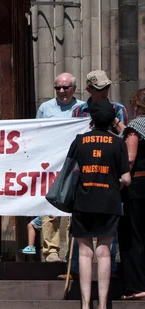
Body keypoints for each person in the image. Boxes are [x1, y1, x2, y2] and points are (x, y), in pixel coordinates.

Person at [69, 100, 131, 309]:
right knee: (104, 252)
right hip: (109, 202)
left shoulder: (80, 141)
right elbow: (126, 177)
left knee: (84, 253)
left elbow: (69, 171)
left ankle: (85, 308)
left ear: (92, 119)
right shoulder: (118, 143)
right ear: (112, 119)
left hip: (83, 202)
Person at [67, 70, 130, 279]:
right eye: (99, 89)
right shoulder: (78, 112)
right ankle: (75, 269)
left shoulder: (118, 109)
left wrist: (111, 123)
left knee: (108, 232)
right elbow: (70, 140)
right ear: (89, 90)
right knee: (80, 231)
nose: (104, 92)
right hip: (85, 176)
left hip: (108, 177)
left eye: (106, 88)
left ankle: (109, 270)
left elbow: (126, 140)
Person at [24, 73, 84, 261]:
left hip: (74, 164)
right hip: (51, 164)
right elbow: (37, 133)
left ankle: (71, 252)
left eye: (66, 87)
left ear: (74, 88)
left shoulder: (83, 108)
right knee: (49, 208)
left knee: (73, 209)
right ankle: (51, 252)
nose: (62, 91)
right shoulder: (45, 108)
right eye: (58, 88)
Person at [119, 88, 145, 300]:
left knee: (132, 236)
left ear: (136, 105)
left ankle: (136, 285)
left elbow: (129, 159)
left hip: (138, 186)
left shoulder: (136, 126)